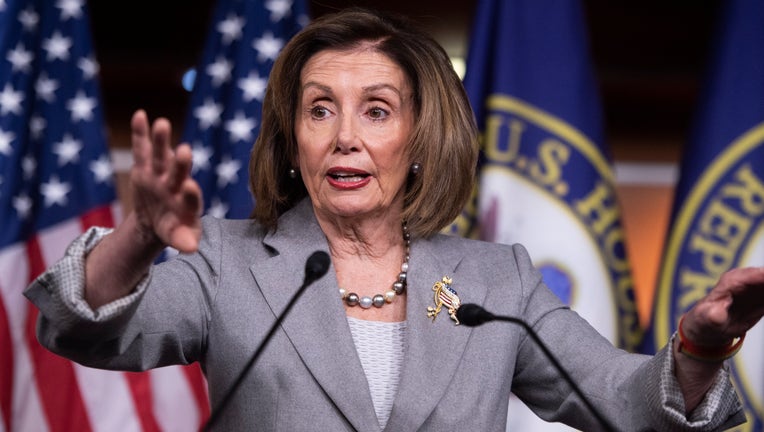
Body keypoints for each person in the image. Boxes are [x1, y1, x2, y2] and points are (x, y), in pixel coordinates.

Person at [25, 7, 763, 432]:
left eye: (375, 111)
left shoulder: (493, 279)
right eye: (320, 110)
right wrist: (141, 234)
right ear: (293, 141)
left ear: (418, 141)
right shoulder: (230, 260)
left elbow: (627, 402)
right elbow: (84, 327)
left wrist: (699, 351)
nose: (344, 135)